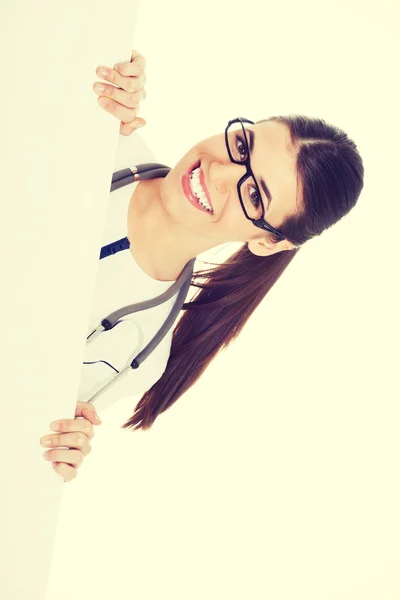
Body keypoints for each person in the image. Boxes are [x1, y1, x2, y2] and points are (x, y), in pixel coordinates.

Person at [40, 50, 365, 482]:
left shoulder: (140, 356)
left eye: (254, 197)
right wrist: (90, 64)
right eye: (243, 146)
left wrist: (51, 453)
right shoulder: (104, 131)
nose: (219, 173)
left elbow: (24, 408)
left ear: (269, 242)